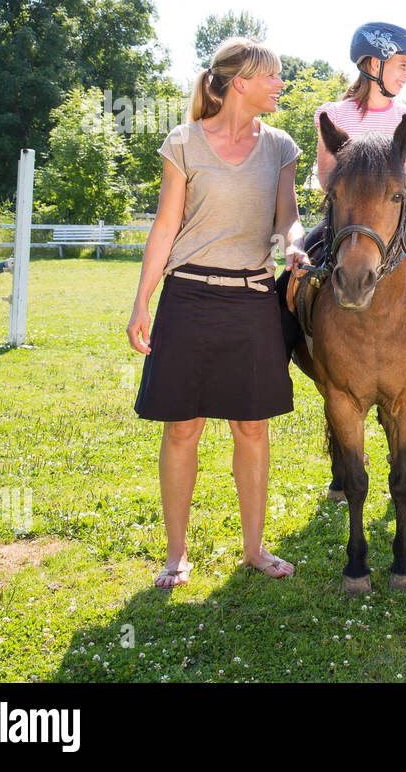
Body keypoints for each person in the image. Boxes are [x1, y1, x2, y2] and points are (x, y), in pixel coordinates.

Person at [127, 37, 305, 589]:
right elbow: (165, 225)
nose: (281, 85)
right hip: (188, 298)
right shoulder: (183, 142)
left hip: (252, 300)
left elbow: (287, 220)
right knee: (183, 429)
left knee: (251, 427)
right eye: (273, 76)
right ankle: (176, 553)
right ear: (240, 82)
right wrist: (142, 300)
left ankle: (254, 548)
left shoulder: (280, 146)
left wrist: (294, 246)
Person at [280, 22, 406, 438]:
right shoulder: (331, 115)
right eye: (403, 64)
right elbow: (324, 175)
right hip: (345, 219)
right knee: (291, 278)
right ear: (373, 64)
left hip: (396, 222)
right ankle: (276, 367)